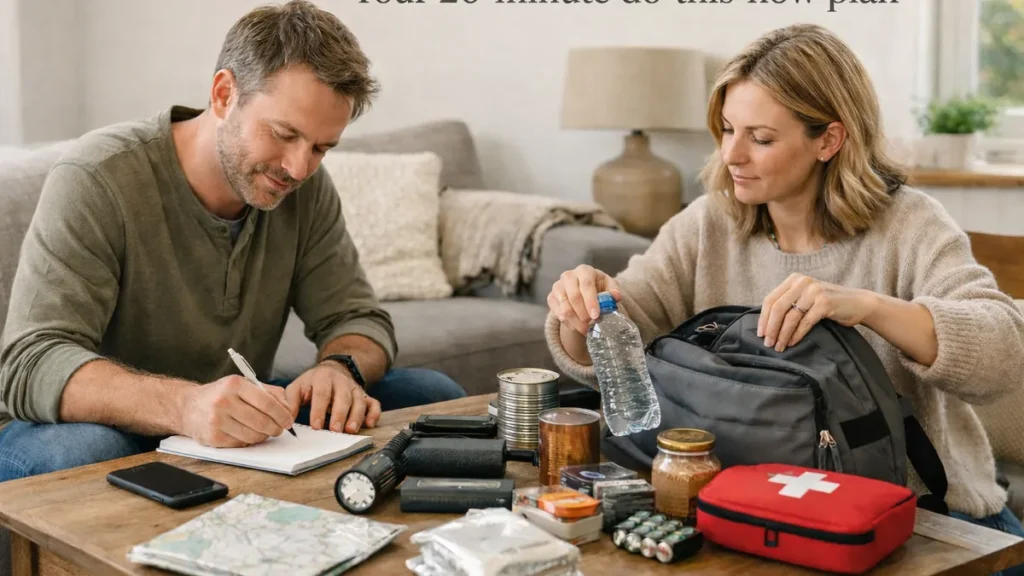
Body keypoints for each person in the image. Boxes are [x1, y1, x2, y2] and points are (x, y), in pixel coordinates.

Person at [545, 23, 1024, 568]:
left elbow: (1004, 354)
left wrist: (866, 306)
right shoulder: (708, 223)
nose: (732, 155)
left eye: (761, 138)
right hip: (754, 503)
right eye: (726, 129)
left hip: (924, 513)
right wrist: (580, 310)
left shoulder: (909, 225)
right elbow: (612, 342)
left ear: (829, 139)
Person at [0, 0, 466, 483]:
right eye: (284, 133)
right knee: (91, 451)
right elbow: (31, 361)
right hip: (82, 426)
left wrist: (341, 368)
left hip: (232, 421)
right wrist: (185, 405)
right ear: (224, 95)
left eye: (322, 148)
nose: (298, 168)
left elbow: (356, 317)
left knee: (430, 394)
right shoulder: (99, 176)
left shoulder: (305, 191)